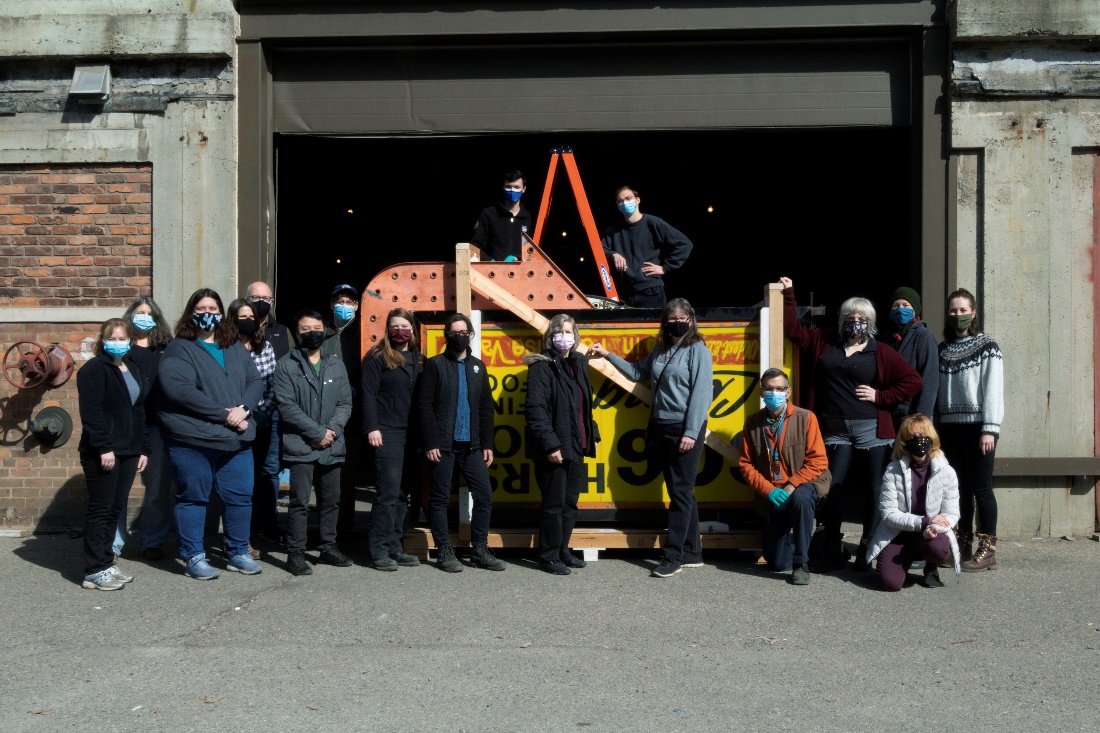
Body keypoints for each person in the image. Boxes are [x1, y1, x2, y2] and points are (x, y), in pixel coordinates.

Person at [780, 277, 922, 572]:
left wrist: (881, 396)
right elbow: (792, 330)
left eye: (861, 319)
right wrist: (789, 295)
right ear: (841, 320)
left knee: (874, 488)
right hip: (834, 430)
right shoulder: (824, 340)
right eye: (849, 317)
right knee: (832, 487)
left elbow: (913, 380)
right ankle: (831, 542)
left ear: (869, 323)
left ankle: (867, 550)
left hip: (872, 428)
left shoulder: (880, 351)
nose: (854, 322)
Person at [591, 297, 713, 578]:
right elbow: (637, 372)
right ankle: (693, 551)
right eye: (672, 318)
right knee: (680, 492)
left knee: (680, 494)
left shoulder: (698, 351)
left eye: (683, 318)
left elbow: (701, 395)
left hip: (684, 429)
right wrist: (607, 355)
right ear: (665, 322)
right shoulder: (661, 348)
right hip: (660, 427)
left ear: (691, 321)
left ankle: (673, 556)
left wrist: (691, 433)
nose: (677, 322)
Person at [157, 288, 264, 580]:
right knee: (193, 498)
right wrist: (225, 415)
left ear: (221, 313)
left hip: (236, 438)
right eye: (202, 309)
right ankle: (193, 557)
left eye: (213, 309)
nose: (208, 315)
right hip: (194, 439)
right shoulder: (180, 348)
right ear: (191, 312)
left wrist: (243, 409)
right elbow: (179, 391)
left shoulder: (232, 347)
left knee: (240, 497)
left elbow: (255, 381)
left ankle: (237, 552)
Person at [417, 313, 505, 572]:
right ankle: (444, 549)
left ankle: (479, 549)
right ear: (446, 336)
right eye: (454, 333)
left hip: (473, 445)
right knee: (440, 499)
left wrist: (487, 444)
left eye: (464, 332)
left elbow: (487, 408)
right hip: (443, 445)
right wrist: (431, 442)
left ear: (471, 335)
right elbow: (424, 406)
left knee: (485, 496)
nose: (459, 336)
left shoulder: (478, 366)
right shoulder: (434, 365)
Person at [273, 309, 355, 575]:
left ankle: (328, 547)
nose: (312, 333)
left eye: (317, 328)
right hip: (301, 443)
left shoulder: (335, 363)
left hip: (332, 443)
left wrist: (330, 430)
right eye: (306, 329)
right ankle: (295, 553)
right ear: (297, 334)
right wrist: (316, 433)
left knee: (331, 500)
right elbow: (287, 406)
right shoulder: (286, 364)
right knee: (298, 501)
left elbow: (345, 403)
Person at [737, 367, 830, 586]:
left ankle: (801, 563)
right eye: (769, 389)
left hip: (804, 484)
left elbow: (818, 462)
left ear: (788, 392)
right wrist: (769, 491)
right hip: (772, 492)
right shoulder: (752, 423)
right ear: (761, 392)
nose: (774, 393)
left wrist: (791, 485)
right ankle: (806, 548)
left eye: (780, 389)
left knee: (800, 499)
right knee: (777, 563)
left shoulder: (806, 418)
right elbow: (745, 464)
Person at [524, 314, 601, 575]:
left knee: (570, 504)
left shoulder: (579, 363)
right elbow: (536, 411)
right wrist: (550, 446)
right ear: (550, 337)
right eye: (558, 331)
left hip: (577, 445)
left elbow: (583, 406)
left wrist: (594, 435)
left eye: (569, 331)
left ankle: (563, 550)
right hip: (553, 449)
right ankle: (548, 555)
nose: (564, 336)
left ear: (576, 335)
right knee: (553, 505)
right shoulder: (541, 367)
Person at [76, 319, 149, 590]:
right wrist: (104, 447)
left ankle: (106, 562)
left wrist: (143, 448)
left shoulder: (131, 368)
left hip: (129, 451)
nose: (118, 342)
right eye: (112, 337)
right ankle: (93, 570)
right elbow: (92, 413)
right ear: (103, 340)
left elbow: (139, 411)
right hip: (103, 452)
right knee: (100, 509)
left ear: (130, 340)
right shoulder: (94, 370)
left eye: (123, 337)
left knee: (115, 509)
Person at [935, 288, 1004, 571]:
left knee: (981, 488)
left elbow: (993, 389)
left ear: (973, 313)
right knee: (959, 489)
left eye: (963, 310)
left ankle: (987, 548)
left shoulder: (987, 346)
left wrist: (990, 429)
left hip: (978, 429)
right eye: (953, 310)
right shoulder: (942, 349)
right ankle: (962, 543)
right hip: (950, 430)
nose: (958, 315)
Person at [362, 308, 425, 571]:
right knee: (387, 494)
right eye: (395, 326)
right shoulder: (377, 357)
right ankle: (379, 549)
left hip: (412, 435)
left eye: (405, 326)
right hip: (387, 432)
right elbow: (368, 394)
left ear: (413, 330)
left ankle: (396, 546)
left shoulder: (420, 360)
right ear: (388, 330)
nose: (401, 331)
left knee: (402, 495)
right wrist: (372, 427)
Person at [866, 414, 960, 590]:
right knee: (889, 583)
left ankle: (931, 566)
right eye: (912, 437)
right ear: (903, 441)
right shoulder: (892, 470)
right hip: (899, 534)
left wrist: (934, 528)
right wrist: (924, 521)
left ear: (932, 438)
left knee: (938, 548)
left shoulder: (947, 472)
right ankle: (904, 561)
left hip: (930, 533)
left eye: (923, 436)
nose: (919, 441)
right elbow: (888, 514)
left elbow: (952, 512)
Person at [121, 297, 174, 561]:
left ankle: (152, 540)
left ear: (156, 318)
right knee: (118, 490)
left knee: (157, 487)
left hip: (156, 427)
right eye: (138, 313)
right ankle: (113, 545)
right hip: (125, 426)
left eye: (148, 313)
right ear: (130, 316)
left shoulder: (166, 348)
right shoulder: (120, 348)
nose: (143, 317)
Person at [227, 298, 281, 547]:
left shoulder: (265, 347)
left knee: (266, 474)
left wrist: (261, 416)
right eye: (242, 317)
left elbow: (272, 387)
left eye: (251, 316)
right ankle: (241, 535)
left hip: (262, 421)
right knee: (240, 480)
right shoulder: (224, 348)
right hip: (232, 423)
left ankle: (266, 526)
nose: (248, 321)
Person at [600, 186, 693, 308]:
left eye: (628, 198)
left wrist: (665, 267)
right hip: (627, 293)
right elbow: (600, 251)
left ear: (638, 200)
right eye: (620, 201)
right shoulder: (614, 230)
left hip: (651, 290)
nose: (624, 203)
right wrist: (613, 254)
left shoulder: (652, 222)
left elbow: (684, 244)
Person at [322, 283, 364, 533]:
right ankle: (326, 532)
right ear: (331, 304)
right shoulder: (321, 332)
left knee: (348, 475)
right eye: (340, 301)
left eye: (350, 302)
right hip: (323, 415)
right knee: (326, 475)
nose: (345, 306)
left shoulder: (365, 332)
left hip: (354, 416)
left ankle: (345, 530)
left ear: (357, 306)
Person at [245, 280, 291, 507]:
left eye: (265, 299)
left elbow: (290, 370)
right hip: (243, 411)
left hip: (273, 411)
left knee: (270, 468)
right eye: (256, 298)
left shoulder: (281, 332)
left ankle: (268, 522)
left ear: (272, 302)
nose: (261, 303)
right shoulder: (236, 331)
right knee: (244, 466)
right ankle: (248, 524)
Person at [886, 286, 939, 427]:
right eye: (896, 305)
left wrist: (922, 419)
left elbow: (930, 381)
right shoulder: (887, 339)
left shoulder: (924, 337)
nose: (900, 309)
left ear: (915, 309)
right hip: (890, 415)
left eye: (906, 305)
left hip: (912, 416)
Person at [470, 169, 531, 262]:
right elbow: (475, 246)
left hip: (520, 273)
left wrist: (517, 258)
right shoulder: (489, 214)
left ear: (524, 189)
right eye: (508, 186)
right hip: (490, 273)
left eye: (516, 187)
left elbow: (533, 251)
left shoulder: (527, 218)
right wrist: (490, 262)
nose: (512, 190)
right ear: (503, 187)